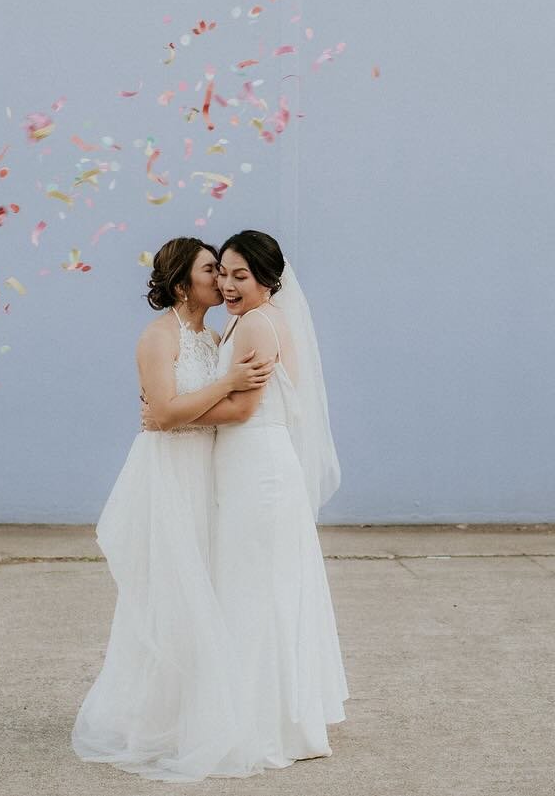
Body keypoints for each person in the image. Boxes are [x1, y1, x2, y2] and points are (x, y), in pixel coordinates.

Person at [71, 236, 273, 782]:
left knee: (205, 588)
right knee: (170, 592)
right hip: (167, 475)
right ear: (183, 282)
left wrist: (213, 397)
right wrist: (227, 383)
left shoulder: (211, 336)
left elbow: (195, 409)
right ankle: (155, 720)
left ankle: (193, 713)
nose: (223, 279)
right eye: (212, 270)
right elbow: (161, 413)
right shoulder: (157, 337)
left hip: (203, 470)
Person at [151, 229, 350, 769]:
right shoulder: (241, 323)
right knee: (250, 584)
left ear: (268, 279)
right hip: (244, 466)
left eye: (242, 275)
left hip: (258, 466)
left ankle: (263, 724)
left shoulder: (258, 325)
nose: (230, 284)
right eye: (223, 273)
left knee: (256, 587)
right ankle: (268, 712)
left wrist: (170, 417)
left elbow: (242, 410)